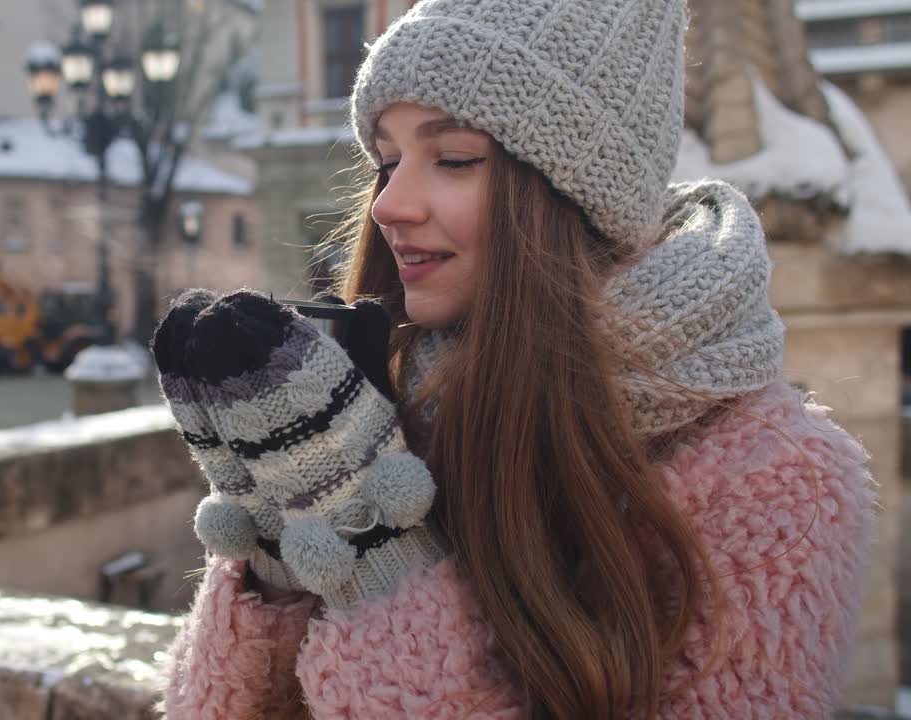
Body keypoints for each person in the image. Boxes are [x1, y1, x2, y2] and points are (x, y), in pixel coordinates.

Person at [150, 0, 876, 717]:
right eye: (389, 159)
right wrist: (280, 556)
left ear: (574, 194)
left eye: (455, 157)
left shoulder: (777, 479)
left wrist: (381, 568)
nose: (387, 204)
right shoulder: (383, 401)